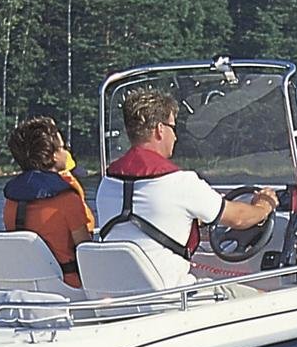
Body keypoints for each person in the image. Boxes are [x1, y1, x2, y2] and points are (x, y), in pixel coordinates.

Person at [95, 88, 276, 289]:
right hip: (170, 298)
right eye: (173, 128)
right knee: (263, 296)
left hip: (120, 297)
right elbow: (240, 218)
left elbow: (150, 217)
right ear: (160, 129)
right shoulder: (181, 183)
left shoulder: (107, 185)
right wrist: (264, 206)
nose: (175, 137)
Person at [2, 116, 95, 287]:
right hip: (70, 287)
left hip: (29, 287)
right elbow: (87, 252)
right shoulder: (68, 200)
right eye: (62, 147)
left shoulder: (11, 202)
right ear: (52, 156)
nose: (66, 152)